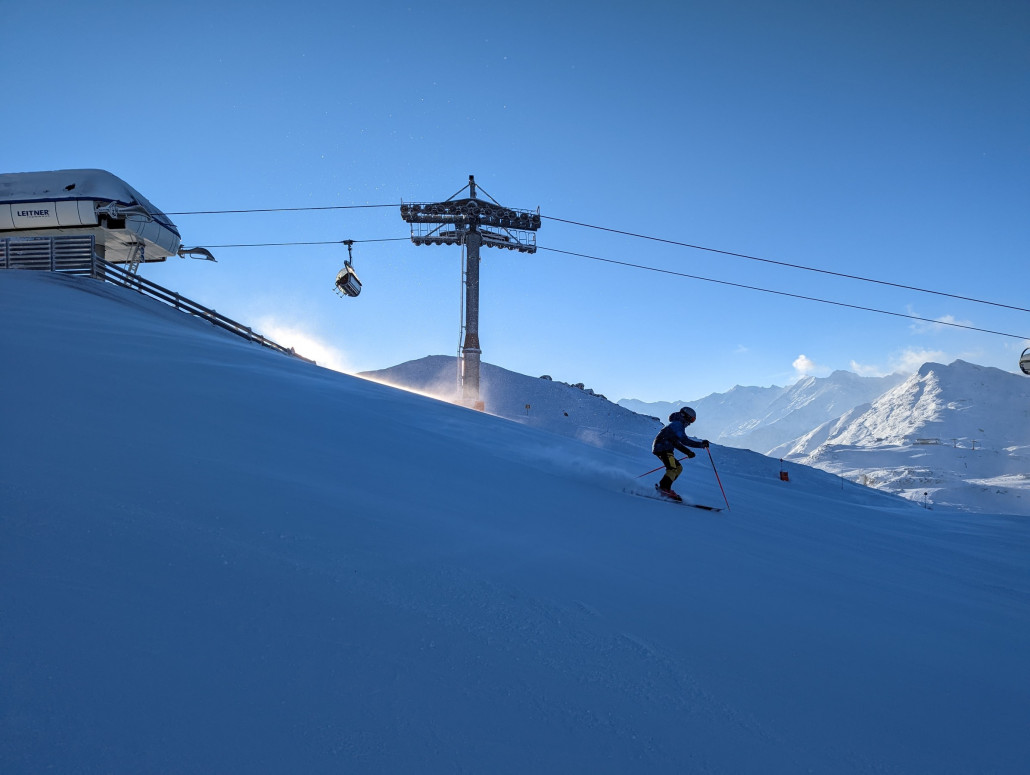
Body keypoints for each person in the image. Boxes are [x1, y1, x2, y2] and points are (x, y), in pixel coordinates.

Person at [651, 406, 709, 501]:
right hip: (663, 447)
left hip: (664, 447)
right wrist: (701, 445)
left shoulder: (678, 424)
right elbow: (684, 440)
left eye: (693, 420)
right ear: (685, 416)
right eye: (691, 419)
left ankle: (665, 488)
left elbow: (675, 442)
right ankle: (664, 489)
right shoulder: (677, 425)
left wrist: (688, 452)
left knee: (678, 468)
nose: (690, 423)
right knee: (672, 468)